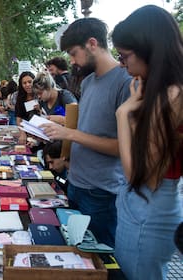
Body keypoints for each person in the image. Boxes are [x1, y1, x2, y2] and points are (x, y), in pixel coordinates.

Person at [40, 17, 132, 248]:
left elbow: (122, 147)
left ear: (92, 44)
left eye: (73, 53)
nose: (72, 61)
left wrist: (69, 134)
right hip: (77, 183)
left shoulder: (126, 82)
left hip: (101, 191)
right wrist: (63, 129)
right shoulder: (89, 82)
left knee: (99, 258)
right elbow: (89, 125)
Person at [112, 5, 183, 279]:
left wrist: (124, 115)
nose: (122, 63)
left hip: (148, 207)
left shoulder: (171, 97)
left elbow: (137, 175)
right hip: (150, 205)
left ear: (149, 50)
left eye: (125, 55)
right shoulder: (164, 93)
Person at [15, 71, 37, 145]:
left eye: (30, 82)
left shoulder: (40, 97)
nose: (27, 85)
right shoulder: (20, 99)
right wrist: (22, 132)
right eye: (24, 83)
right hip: (27, 136)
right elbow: (19, 119)